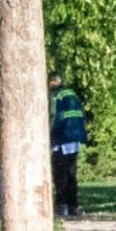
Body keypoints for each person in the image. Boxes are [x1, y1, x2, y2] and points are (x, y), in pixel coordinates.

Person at [50, 74, 88, 219]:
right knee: (71, 174)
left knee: (60, 174)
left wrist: (48, 135)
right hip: (74, 139)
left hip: (61, 140)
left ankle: (62, 206)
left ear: (53, 82)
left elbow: (55, 118)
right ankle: (73, 206)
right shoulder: (71, 94)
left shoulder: (56, 96)